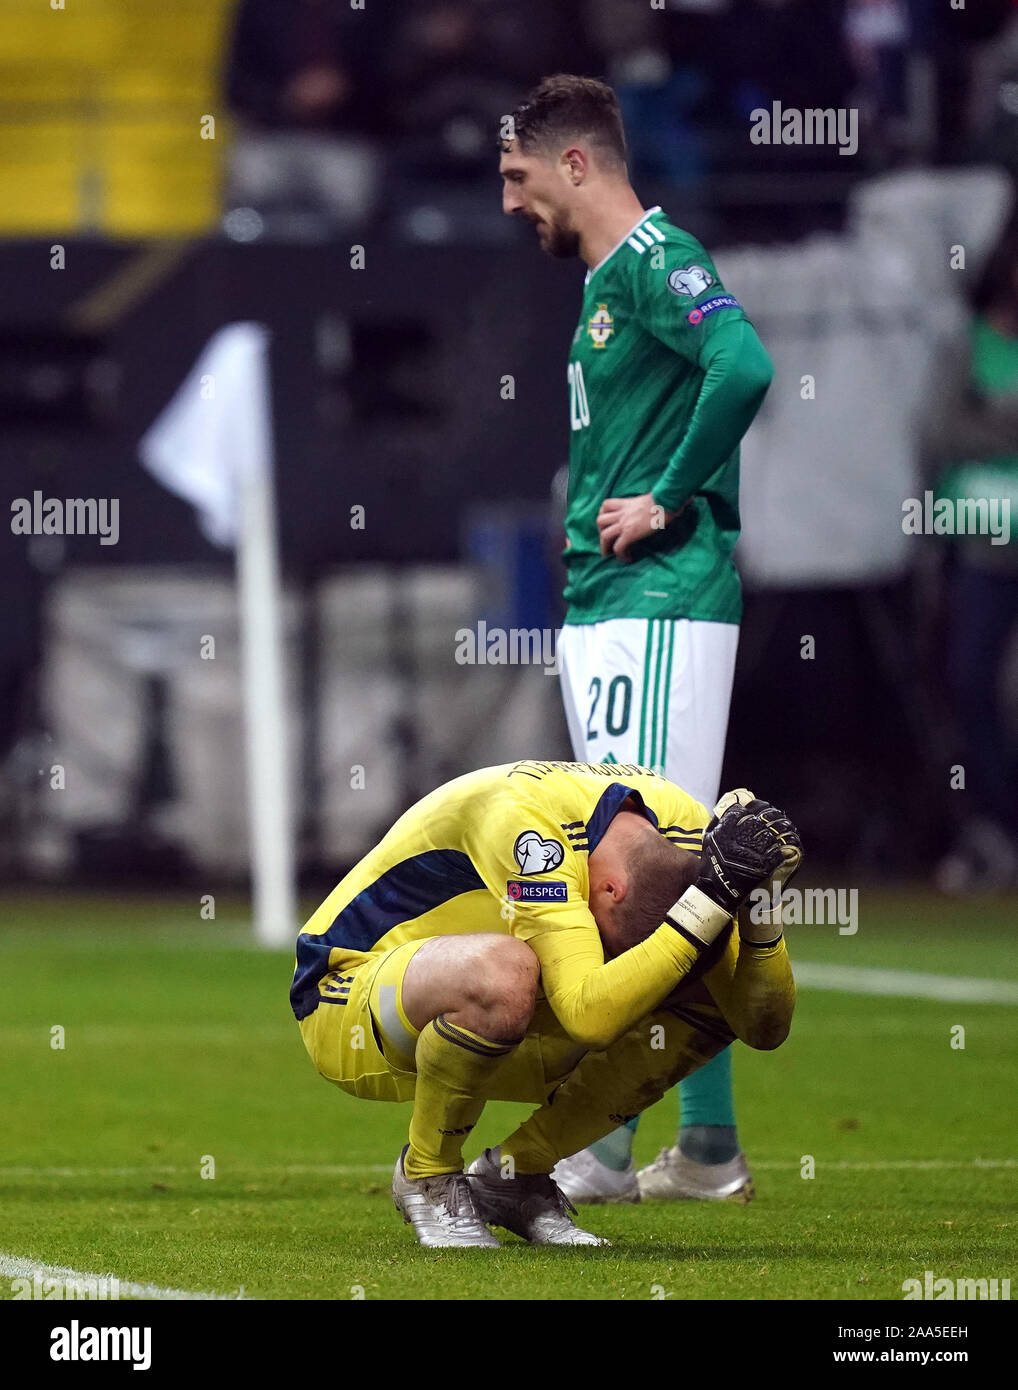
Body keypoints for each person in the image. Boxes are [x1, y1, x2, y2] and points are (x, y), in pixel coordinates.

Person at [499, 75, 774, 1203]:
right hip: (615, 605)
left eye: (518, 178)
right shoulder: (611, 279)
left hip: (659, 594)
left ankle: (603, 1145)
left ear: (575, 164)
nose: (509, 203)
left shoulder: (661, 258)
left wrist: (663, 496)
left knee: (640, 865)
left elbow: (744, 363)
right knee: (646, 863)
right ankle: (701, 1149)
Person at [290, 760, 801, 1248]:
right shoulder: (527, 825)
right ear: (610, 889)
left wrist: (762, 903)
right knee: (505, 972)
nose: (612, 959)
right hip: (348, 996)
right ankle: (427, 1175)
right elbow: (590, 1016)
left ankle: (516, 1176)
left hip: (491, 1016)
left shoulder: (693, 834)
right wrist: (699, 913)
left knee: (710, 986)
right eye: (611, 945)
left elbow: (762, 1026)